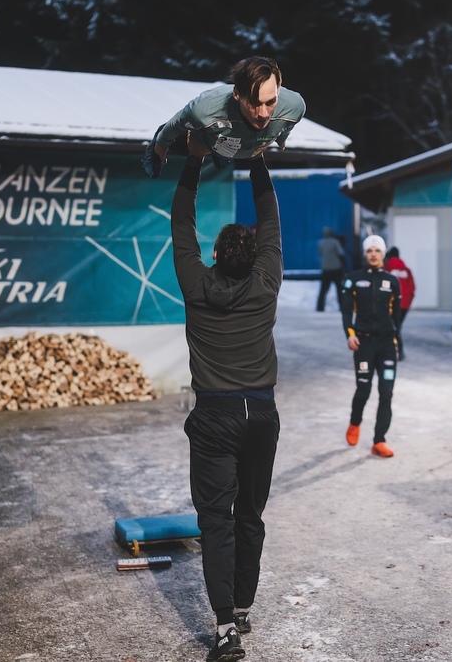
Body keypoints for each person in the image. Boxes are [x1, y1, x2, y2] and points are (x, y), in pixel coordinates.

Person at [171, 133, 282, 661]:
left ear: (214, 255)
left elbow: (181, 225)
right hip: (260, 414)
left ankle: (224, 630)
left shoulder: (197, 284)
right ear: (257, 256)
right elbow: (271, 219)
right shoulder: (266, 283)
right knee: (250, 515)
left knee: (216, 521)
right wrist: (256, 162)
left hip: (215, 416)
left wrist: (193, 163)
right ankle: (241, 607)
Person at [143, 55, 305, 178]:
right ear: (237, 95)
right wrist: (161, 146)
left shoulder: (294, 106)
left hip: (230, 141)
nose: (263, 113)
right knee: (181, 145)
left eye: (270, 102)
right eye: (254, 103)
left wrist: (282, 138)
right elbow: (175, 125)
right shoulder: (204, 110)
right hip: (204, 134)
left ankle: (221, 151)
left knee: (232, 149)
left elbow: (287, 125)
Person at [339, 234, 401, 458]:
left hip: (386, 344)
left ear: (383, 254)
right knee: (363, 390)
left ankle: (379, 440)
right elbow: (346, 311)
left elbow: (397, 316)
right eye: (369, 251)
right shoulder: (353, 279)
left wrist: (396, 341)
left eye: (377, 251)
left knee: (386, 392)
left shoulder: (392, 281)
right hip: (363, 343)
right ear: (365, 254)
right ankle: (355, 422)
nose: (373, 254)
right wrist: (350, 334)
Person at [383, 247, 416, 358]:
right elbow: (412, 288)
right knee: (397, 326)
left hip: (392, 303)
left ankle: (395, 350)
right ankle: (398, 350)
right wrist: (408, 303)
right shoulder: (406, 270)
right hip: (404, 304)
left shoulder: (387, 269)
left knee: (391, 326)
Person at [315, 226, 345, 312]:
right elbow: (341, 253)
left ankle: (320, 307)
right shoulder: (335, 242)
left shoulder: (321, 243)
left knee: (323, 290)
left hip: (326, 269)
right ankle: (342, 307)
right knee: (339, 289)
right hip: (336, 269)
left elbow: (321, 253)